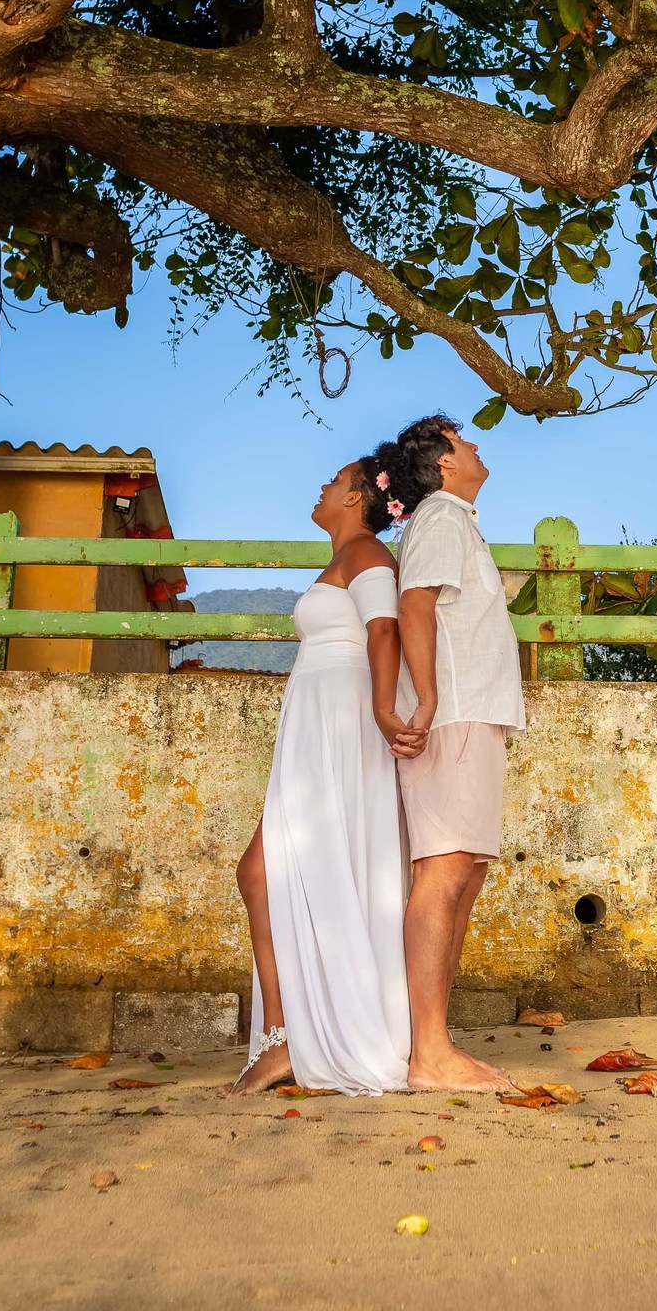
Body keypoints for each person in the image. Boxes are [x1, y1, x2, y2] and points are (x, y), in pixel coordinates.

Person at [225, 457, 423, 1096]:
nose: (319, 485)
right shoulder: (346, 557)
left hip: (341, 723)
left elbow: (384, 629)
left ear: (360, 496)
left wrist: (382, 709)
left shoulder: (367, 552)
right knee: (265, 871)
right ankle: (288, 1036)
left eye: (333, 480)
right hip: (315, 723)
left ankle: (286, 1042)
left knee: (264, 870)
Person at [380, 415, 526, 1092]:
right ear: (442, 465)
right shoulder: (440, 515)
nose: (475, 446)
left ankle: (433, 1041)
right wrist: (430, 696)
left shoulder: (454, 518)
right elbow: (414, 605)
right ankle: (429, 1055)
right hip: (455, 716)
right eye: (463, 441)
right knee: (443, 874)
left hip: (474, 715)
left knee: (463, 874)